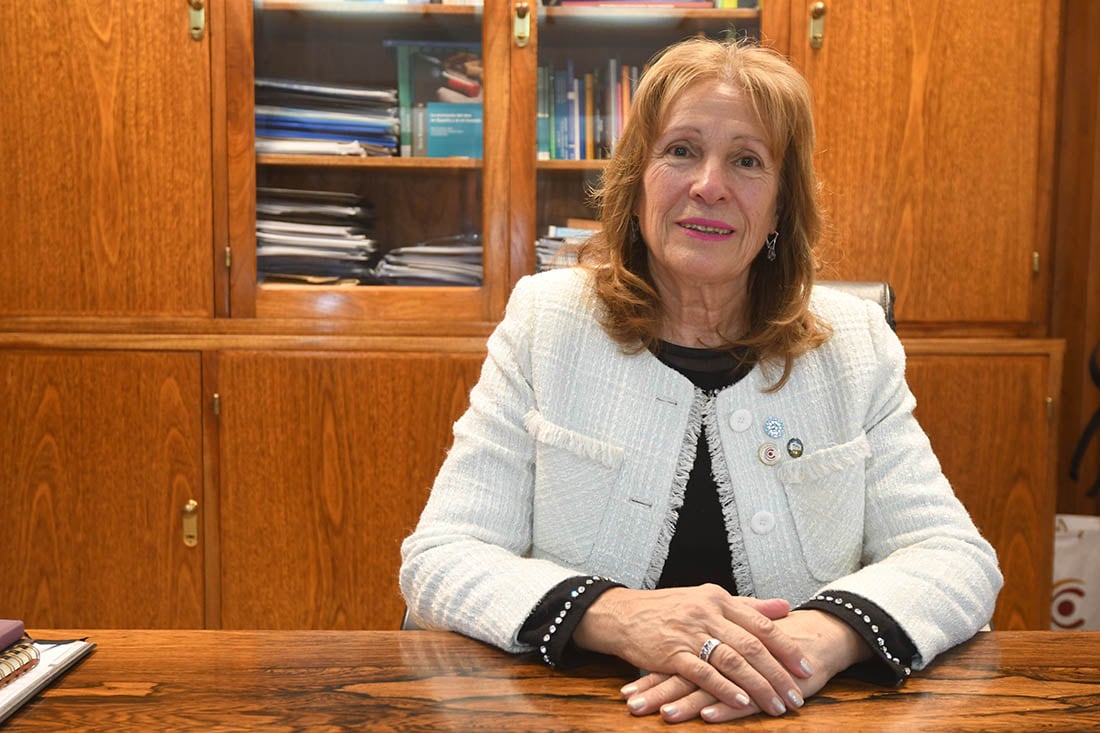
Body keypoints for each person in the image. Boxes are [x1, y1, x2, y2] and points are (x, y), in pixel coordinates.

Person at [400, 36, 1001, 724]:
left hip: (794, 711)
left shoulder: (853, 344)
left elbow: (956, 558)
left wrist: (817, 638)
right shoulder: (547, 324)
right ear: (638, 180)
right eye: (681, 150)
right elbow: (441, 556)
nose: (709, 184)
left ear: (779, 205)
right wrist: (617, 614)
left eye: (747, 160)